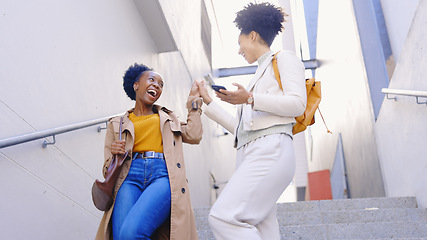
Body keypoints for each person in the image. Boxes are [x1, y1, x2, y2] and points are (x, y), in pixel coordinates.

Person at [196, 2, 307, 240]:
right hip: (253, 152)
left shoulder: (284, 59)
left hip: (271, 150)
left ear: (253, 35)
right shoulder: (258, 74)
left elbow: (298, 104)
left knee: (224, 217)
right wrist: (209, 102)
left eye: (240, 42)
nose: (239, 50)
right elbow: (241, 131)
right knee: (263, 230)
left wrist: (250, 98)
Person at [95, 63, 203, 240]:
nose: (157, 86)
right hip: (128, 177)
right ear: (136, 85)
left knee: (131, 232)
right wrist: (115, 153)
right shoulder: (116, 123)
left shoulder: (168, 119)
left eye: (161, 84)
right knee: (122, 236)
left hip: (162, 175)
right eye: (151, 80)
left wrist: (194, 102)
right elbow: (108, 170)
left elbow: (194, 135)